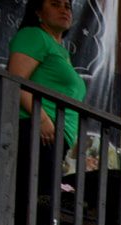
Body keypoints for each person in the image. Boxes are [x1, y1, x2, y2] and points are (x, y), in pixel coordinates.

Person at [7, 0, 86, 170]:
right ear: (38, 12)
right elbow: (14, 81)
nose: (63, 10)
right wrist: (42, 119)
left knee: (41, 195)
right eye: (55, 4)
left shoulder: (60, 51)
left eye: (67, 6)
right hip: (36, 130)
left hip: (52, 137)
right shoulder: (34, 35)